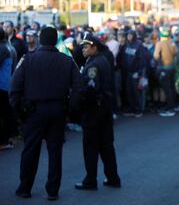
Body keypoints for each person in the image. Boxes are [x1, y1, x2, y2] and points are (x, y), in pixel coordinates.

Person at [9, 26, 82, 200]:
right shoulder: (66, 61)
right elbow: (79, 86)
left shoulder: (28, 60)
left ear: (41, 39)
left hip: (33, 111)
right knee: (55, 152)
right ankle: (52, 190)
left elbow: (15, 87)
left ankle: (25, 187)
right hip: (57, 110)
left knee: (30, 151)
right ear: (56, 40)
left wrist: (18, 111)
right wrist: (70, 108)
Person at [75, 32, 121, 190]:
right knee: (106, 145)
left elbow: (91, 88)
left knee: (91, 146)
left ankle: (90, 179)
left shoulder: (94, 64)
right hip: (105, 108)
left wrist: (79, 98)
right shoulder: (101, 59)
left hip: (94, 109)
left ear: (94, 47)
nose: (84, 50)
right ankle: (113, 177)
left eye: (86, 47)